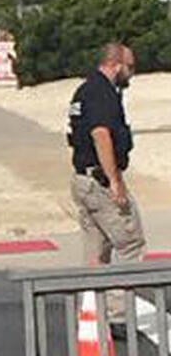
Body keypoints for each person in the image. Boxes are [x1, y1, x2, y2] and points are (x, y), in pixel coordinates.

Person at [68, 42, 144, 329]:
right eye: (130, 67)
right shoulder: (102, 93)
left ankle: (91, 312)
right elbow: (101, 135)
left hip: (83, 179)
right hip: (99, 180)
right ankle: (118, 315)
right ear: (116, 64)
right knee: (130, 241)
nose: (132, 74)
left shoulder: (85, 89)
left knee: (96, 248)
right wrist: (115, 182)